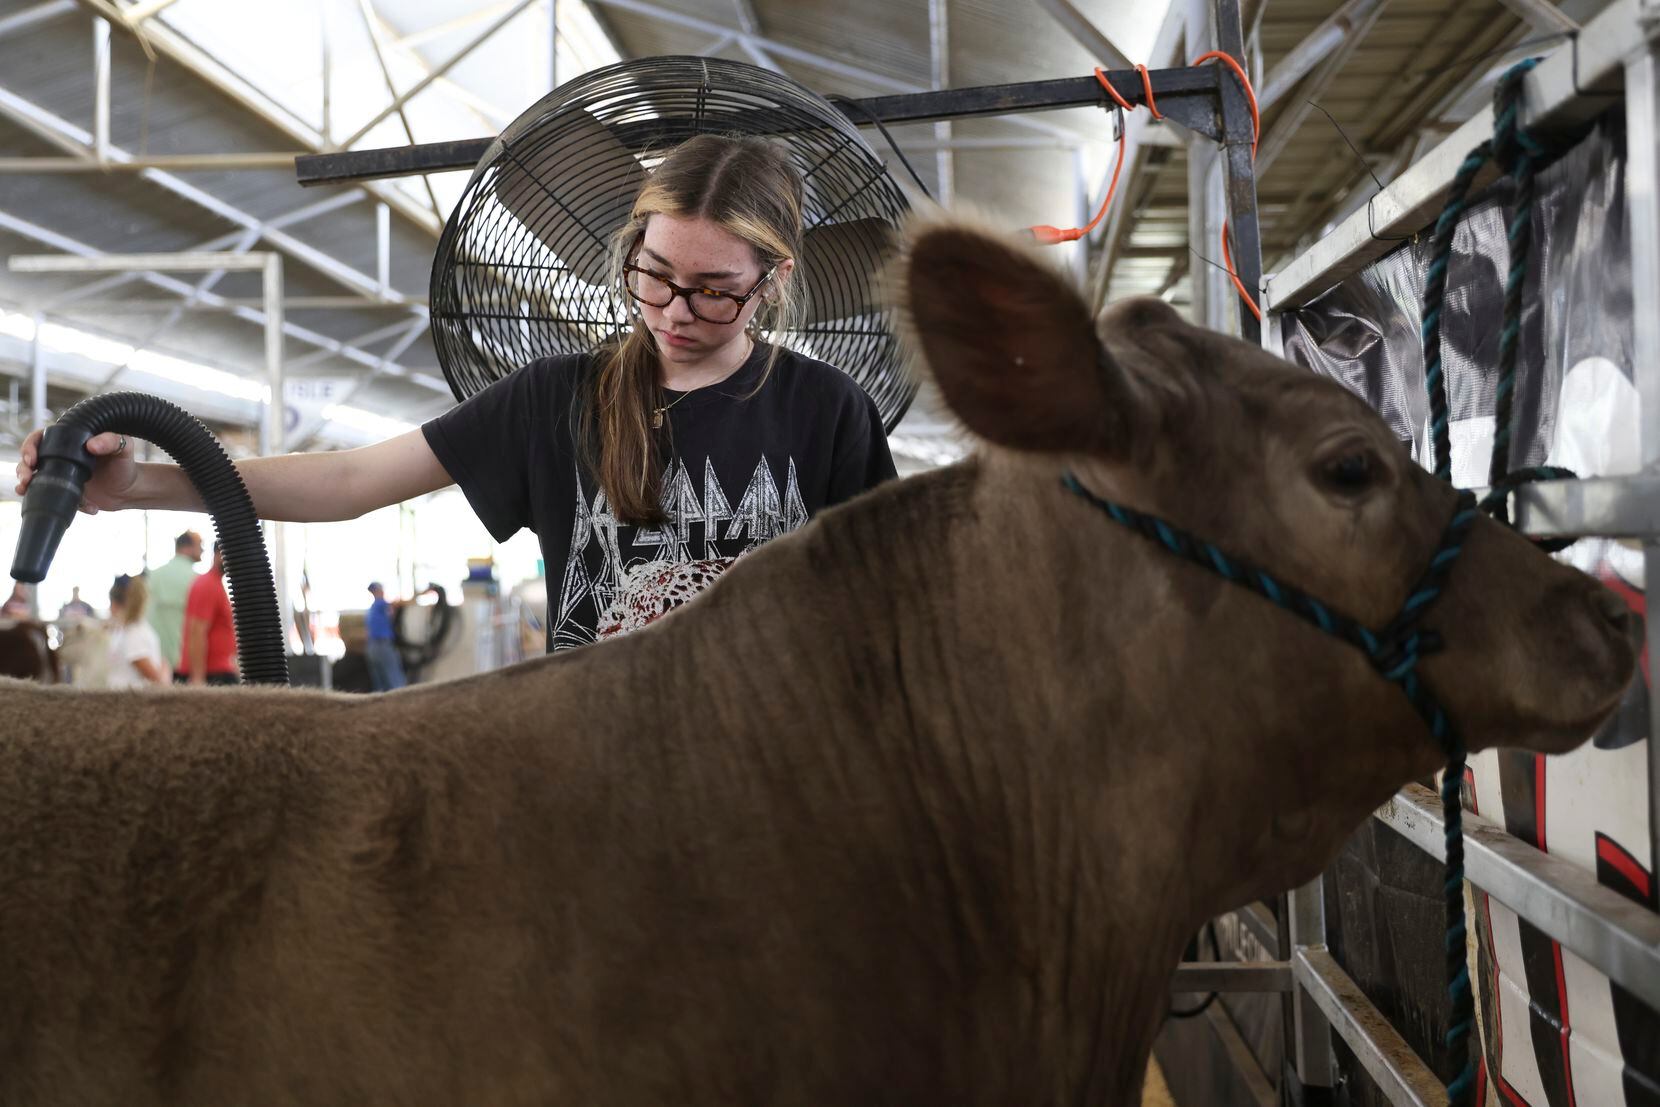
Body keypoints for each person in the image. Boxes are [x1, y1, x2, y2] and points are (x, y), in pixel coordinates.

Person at [15, 134, 897, 650]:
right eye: (652, 274)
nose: (670, 309)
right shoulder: (560, 397)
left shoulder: (828, 413)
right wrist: (141, 485)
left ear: (773, 279)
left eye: (713, 290)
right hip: (593, 774)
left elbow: (892, 601)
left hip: (778, 787)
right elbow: (355, 481)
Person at [179, 544, 237, 685]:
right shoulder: (207, 585)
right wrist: (198, 678)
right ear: (218, 554)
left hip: (219, 671)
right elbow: (197, 631)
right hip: (212, 674)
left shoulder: (216, 584)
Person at [147, 530, 203, 670]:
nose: (202, 550)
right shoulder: (197, 581)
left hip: (155, 660)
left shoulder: (153, 575)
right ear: (187, 547)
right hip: (185, 661)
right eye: (199, 545)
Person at [105, 574, 167, 688]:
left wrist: (164, 672)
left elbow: (156, 678)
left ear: (115, 604)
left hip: (132, 702)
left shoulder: (134, 634)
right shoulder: (128, 630)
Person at [364, 581, 407, 692]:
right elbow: (398, 604)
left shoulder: (371, 609)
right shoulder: (381, 604)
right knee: (396, 681)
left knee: (380, 683)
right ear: (378, 591)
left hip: (371, 647)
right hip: (382, 645)